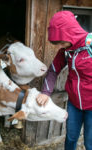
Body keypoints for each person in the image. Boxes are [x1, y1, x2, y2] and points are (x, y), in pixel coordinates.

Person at [36, 10, 92, 150]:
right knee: (71, 138)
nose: (59, 46)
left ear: (70, 32)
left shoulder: (90, 45)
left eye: (61, 42)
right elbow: (53, 70)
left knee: (90, 143)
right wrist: (45, 92)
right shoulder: (66, 51)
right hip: (74, 104)